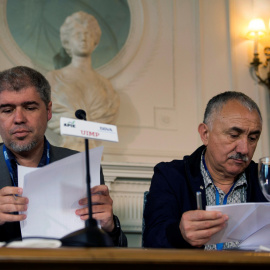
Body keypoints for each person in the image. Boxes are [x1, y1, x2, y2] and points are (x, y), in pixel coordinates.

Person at [0, 66, 127, 247]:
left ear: (49, 111)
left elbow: (111, 251)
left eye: (29, 107)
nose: (19, 118)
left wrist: (110, 227)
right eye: (7, 110)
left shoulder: (83, 166)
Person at [143, 91, 267, 249]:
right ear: (205, 134)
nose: (244, 149)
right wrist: (179, 233)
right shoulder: (170, 175)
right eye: (234, 135)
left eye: (252, 138)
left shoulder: (264, 180)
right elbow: (152, 239)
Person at [46, 11, 120, 151]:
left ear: (95, 40)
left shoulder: (106, 86)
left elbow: (108, 112)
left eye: (88, 34)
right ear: (67, 40)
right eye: (77, 34)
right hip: (67, 148)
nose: (83, 39)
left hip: (93, 150)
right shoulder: (52, 80)